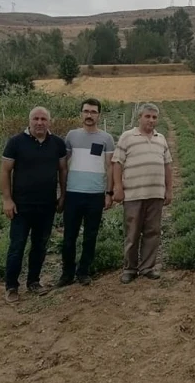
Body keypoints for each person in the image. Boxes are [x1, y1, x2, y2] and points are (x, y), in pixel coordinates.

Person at [0, 106, 68, 303]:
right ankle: (11, 286)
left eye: (43, 119)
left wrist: (62, 195)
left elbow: (63, 170)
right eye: (36, 119)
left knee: (40, 245)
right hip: (21, 206)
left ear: (49, 122)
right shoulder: (16, 142)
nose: (40, 122)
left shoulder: (57, 143)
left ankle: (33, 282)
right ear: (29, 121)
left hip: (46, 205)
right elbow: (5, 171)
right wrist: (7, 199)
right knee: (17, 245)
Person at [57, 98, 116, 287]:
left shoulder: (106, 138)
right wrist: (62, 192)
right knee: (69, 237)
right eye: (86, 111)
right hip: (73, 193)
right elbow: (63, 166)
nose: (89, 115)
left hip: (95, 194)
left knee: (90, 236)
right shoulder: (71, 136)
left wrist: (109, 193)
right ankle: (67, 273)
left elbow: (110, 167)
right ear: (81, 113)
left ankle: (84, 271)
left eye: (93, 112)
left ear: (99, 115)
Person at [112, 103, 173, 284]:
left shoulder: (161, 138)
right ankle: (129, 269)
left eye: (154, 117)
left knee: (152, 232)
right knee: (132, 233)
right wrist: (118, 187)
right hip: (133, 194)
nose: (151, 120)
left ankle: (147, 267)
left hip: (155, 194)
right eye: (147, 116)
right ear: (140, 117)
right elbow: (117, 163)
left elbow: (167, 165)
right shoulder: (127, 137)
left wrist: (169, 189)